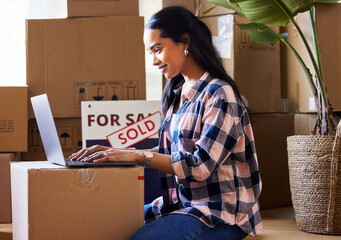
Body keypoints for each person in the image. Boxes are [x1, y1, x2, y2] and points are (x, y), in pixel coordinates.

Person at [70, 6, 262, 240]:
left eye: (157, 50)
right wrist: (120, 153)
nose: (154, 61)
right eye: (150, 52)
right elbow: (170, 154)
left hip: (220, 214)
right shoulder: (178, 92)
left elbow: (200, 165)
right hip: (180, 206)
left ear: (184, 42)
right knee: (106, 222)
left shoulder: (220, 94)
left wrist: (139, 157)